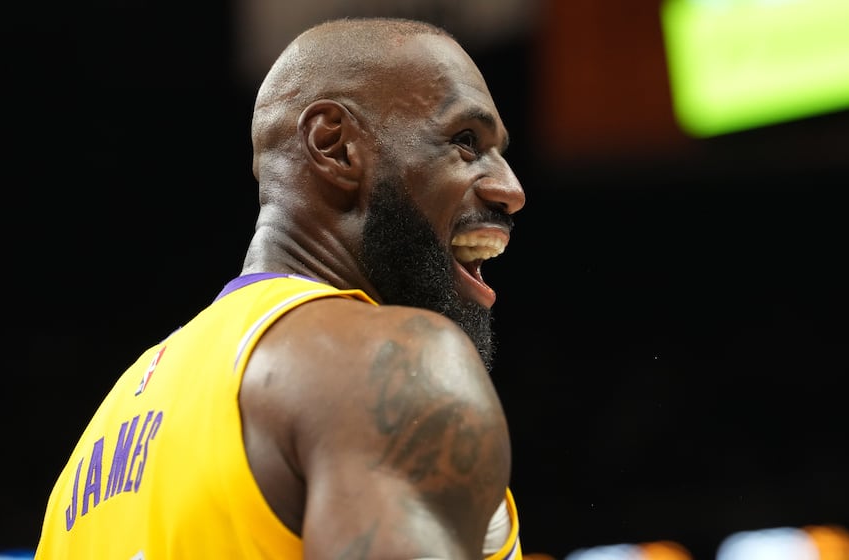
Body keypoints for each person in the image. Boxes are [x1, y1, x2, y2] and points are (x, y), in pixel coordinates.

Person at [35, 16, 526, 560]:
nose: (511, 189)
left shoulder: (89, 456)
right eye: (465, 142)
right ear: (334, 146)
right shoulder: (390, 363)